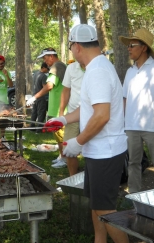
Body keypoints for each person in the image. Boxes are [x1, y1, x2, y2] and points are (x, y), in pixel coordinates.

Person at [44, 24, 129, 243]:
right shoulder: (96, 67)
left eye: (71, 46)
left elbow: (102, 116)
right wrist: (63, 119)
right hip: (98, 152)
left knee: (106, 211)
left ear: (77, 46)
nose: (71, 51)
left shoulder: (98, 70)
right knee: (97, 207)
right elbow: (90, 108)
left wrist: (77, 142)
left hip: (106, 153)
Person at [119, 28, 154, 193]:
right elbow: (125, 98)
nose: (129, 48)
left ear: (144, 47)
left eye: (132, 45)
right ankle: (135, 197)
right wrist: (122, 122)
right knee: (133, 163)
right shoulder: (129, 71)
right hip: (131, 127)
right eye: (129, 45)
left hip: (152, 127)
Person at [26, 48, 67, 168]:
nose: (44, 61)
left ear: (51, 56)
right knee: (58, 135)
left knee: (61, 135)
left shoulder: (56, 67)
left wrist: (34, 97)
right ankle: (62, 156)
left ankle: (64, 159)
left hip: (60, 107)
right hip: (58, 106)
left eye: (45, 58)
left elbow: (49, 85)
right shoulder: (61, 66)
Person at [55, 60, 85, 174]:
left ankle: (92, 178)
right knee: (67, 148)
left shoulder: (95, 66)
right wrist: (61, 113)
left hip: (92, 115)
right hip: (73, 114)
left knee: (93, 149)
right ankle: (73, 178)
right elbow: (66, 91)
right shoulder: (71, 68)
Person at [30, 62, 50, 133]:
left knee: (34, 113)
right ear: (43, 68)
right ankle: (39, 129)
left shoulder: (36, 74)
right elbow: (45, 88)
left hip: (34, 96)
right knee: (41, 113)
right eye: (47, 69)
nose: (48, 70)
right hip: (41, 97)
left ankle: (31, 127)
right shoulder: (44, 76)